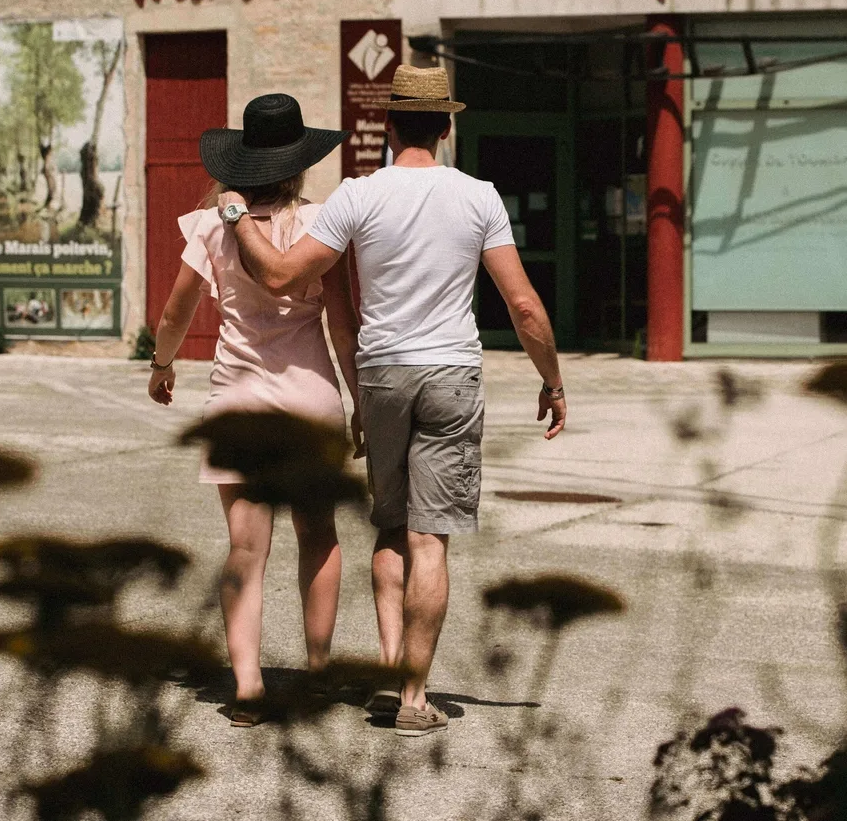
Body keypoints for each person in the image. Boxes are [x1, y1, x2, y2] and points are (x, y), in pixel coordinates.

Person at [218, 63, 566, 738]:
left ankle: (386, 670)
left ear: (389, 124)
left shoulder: (358, 195)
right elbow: (523, 304)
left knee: (389, 526)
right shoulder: (479, 196)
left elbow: (283, 272)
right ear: (445, 125)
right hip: (450, 374)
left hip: (381, 374)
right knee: (428, 537)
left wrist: (236, 212)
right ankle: (412, 696)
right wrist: (552, 380)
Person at [146, 92, 363, 728]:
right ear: (299, 164)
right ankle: (320, 674)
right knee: (318, 536)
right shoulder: (323, 226)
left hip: (238, 401)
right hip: (311, 400)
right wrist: (356, 400)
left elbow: (174, 314)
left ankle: (246, 686)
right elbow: (345, 327)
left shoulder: (212, 226)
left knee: (247, 548)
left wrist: (163, 365)